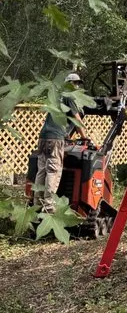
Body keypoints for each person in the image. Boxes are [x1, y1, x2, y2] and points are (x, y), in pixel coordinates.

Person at [34, 72, 88, 213]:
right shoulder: (68, 96)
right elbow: (77, 120)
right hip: (55, 139)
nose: (76, 86)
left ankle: (37, 203)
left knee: (42, 170)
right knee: (53, 170)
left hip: (43, 137)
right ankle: (49, 207)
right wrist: (85, 137)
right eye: (75, 84)